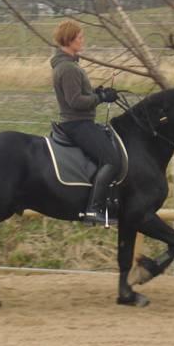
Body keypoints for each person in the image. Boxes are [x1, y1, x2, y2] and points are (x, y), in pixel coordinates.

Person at [50, 19, 120, 224]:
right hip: (77, 124)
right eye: (80, 37)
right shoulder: (68, 68)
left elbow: (80, 94)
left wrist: (97, 92)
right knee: (111, 160)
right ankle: (94, 209)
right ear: (70, 40)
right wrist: (101, 98)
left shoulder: (68, 65)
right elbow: (75, 101)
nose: (83, 40)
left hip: (78, 122)